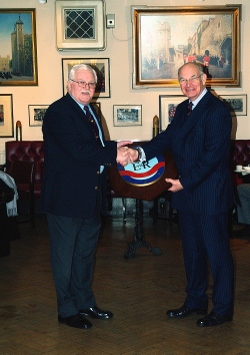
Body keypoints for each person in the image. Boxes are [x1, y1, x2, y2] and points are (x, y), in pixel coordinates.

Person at [128, 62, 235, 327]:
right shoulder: (183, 111)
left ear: (204, 78)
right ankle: (195, 301)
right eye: (183, 80)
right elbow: (166, 139)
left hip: (209, 196)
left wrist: (184, 182)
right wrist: (139, 152)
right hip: (187, 196)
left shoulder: (217, 111)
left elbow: (213, 156)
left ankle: (222, 309)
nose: (188, 84)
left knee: (217, 254)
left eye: (193, 78)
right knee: (193, 253)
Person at [42, 64, 130, 329]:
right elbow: (78, 150)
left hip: (90, 197)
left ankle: (85, 302)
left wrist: (119, 148)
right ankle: (67, 310)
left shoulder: (91, 110)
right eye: (81, 82)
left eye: (91, 84)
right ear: (69, 84)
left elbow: (97, 147)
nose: (87, 88)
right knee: (64, 258)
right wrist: (113, 154)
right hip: (66, 199)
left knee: (84, 255)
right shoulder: (59, 111)